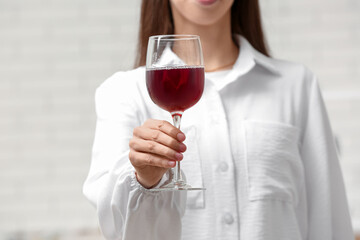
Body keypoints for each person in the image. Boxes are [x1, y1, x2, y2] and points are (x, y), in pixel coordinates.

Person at [83, 0, 354, 239]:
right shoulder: (122, 93)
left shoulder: (297, 86)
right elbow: (120, 230)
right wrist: (145, 179)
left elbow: (329, 220)